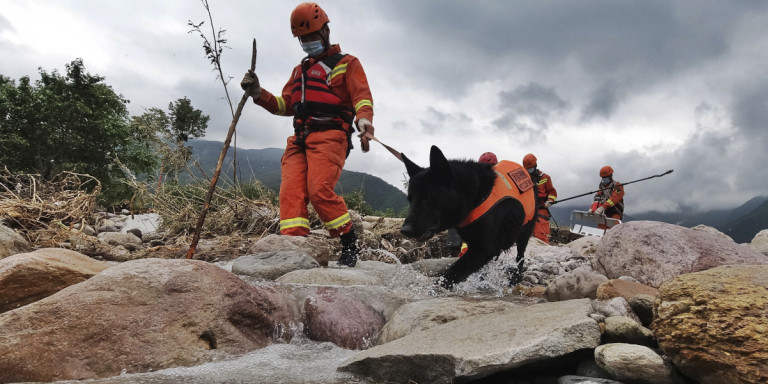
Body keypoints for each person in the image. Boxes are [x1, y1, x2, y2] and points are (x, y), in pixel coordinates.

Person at [240, 2, 374, 267]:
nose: (307, 41)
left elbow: (362, 96)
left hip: (331, 136)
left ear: (325, 31)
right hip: (300, 139)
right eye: (303, 38)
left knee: (319, 190)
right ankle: (294, 246)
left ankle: (349, 242)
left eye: (312, 35)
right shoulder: (299, 71)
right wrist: (258, 93)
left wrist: (365, 122)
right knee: (290, 191)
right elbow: (285, 105)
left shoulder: (347, 63)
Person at [522, 153, 557, 244]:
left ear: (535, 166)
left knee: (540, 235)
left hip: (541, 209)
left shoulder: (545, 177)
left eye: (531, 169)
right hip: (528, 210)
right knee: (524, 234)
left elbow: (552, 192)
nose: (529, 171)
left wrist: (550, 201)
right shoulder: (523, 179)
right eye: (527, 169)